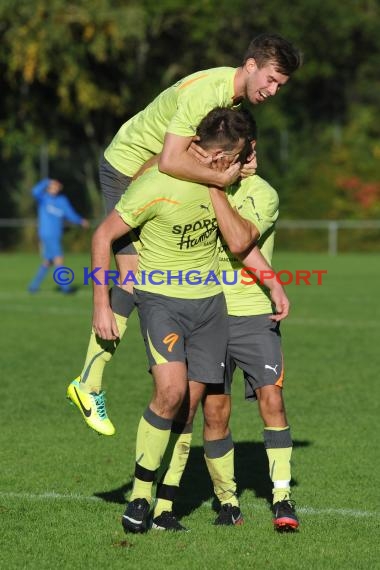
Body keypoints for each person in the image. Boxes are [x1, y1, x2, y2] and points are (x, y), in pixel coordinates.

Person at [67, 33, 302, 433]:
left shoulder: (232, 98)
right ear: (250, 65)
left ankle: (98, 378)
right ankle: (89, 381)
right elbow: (174, 160)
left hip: (149, 169)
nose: (273, 90)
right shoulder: (207, 94)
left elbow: (199, 152)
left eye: (280, 85)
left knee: (137, 277)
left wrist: (239, 159)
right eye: (270, 79)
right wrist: (224, 174)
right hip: (129, 169)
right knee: (132, 277)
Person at [84, 108, 254, 532]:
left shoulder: (228, 186)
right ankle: (139, 498)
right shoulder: (158, 184)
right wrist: (101, 305)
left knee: (189, 405)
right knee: (171, 391)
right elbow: (103, 236)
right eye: (224, 159)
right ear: (206, 151)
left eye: (231, 160)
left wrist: (225, 180)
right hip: (162, 301)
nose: (227, 166)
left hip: (210, 306)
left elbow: (242, 237)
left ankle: (165, 505)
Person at [150, 136, 299, 531]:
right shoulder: (200, 188)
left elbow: (240, 241)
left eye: (252, 151)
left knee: (273, 400)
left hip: (253, 316)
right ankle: (227, 502)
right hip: (208, 314)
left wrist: (215, 185)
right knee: (214, 412)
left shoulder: (262, 194)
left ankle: (283, 497)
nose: (248, 158)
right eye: (239, 153)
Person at [28, 178, 89, 293]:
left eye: (56, 187)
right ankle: (65, 287)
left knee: (48, 261)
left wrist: (80, 220)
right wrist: (46, 181)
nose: (54, 189)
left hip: (56, 234)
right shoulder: (43, 198)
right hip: (47, 234)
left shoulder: (62, 201)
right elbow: (34, 191)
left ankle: (33, 286)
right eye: (52, 187)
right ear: (48, 188)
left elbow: (70, 214)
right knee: (58, 259)